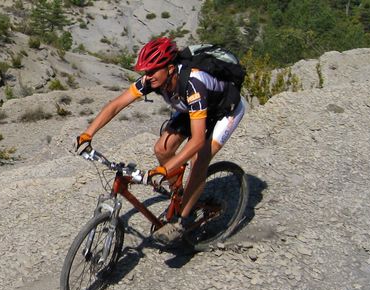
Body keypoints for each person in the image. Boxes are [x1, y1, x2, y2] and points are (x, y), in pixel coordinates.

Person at [74, 37, 247, 244]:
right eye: (145, 72)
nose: (148, 76)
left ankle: (182, 221)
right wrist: (88, 133)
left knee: (198, 160)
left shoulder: (193, 82)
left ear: (171, 68)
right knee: (162, 149)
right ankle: (182, 195)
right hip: (191, 108)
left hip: (223, 111)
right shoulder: (153, 80)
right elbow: (116, 104)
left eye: (153, 71)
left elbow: (198, 140)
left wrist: (165, 170)